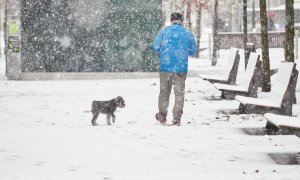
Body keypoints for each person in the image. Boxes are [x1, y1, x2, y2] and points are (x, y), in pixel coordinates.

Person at [152, 12, 197, 126]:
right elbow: (193, 50)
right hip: (181, 68)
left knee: (164, 93)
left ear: (171, 20)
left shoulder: (164, 31)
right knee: (179, 94)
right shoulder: (187, 32)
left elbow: (156, 46)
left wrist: (166, 50)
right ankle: (177, 118)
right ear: (181, 20)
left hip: (166, 67)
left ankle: (162, 115)